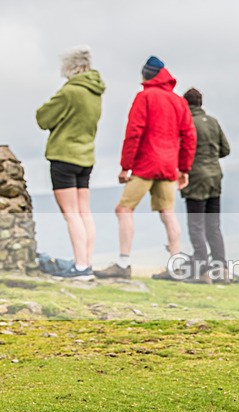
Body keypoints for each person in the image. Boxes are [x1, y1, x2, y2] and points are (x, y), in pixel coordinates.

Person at [95, 56, 196, 280]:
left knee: (123, 210)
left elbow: (134, 132)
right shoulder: (179, 102)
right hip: (169, 166)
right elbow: (189, 136)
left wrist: (125, 167)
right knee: (168, 214)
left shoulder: (144, 97)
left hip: (146, 164)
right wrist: (184, 168)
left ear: (146, 75)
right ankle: (175, 265)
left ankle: (123, 263)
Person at [36, 45, 105, 281]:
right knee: (85, 212)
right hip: (86, 157)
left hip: (64, 156)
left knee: (71, 214)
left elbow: (43, 118)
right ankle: (87, 262)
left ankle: (80, 267)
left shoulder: (70, 91)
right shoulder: (95, 92)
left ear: (71, 66)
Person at [180, 88, 230, 283]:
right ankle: (221, 270)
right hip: (215, 177)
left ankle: (203, 272)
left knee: (196, 225)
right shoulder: (213, 122)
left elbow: (181, 149)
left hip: (195, 178)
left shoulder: (186, 123)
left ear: (186, 104)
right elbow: (225, 149)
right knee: (213, 226)